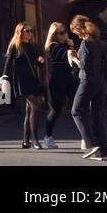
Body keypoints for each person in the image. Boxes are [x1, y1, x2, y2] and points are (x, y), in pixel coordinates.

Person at [1, 22, 47, 149]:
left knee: (29, 110)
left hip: (32, 79)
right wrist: (4, 78)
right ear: (20, 32)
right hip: (21, 80)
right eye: (27, 31)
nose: (30, 33)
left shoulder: (33, 46)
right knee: (35, 106)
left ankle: (26, 141)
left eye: (31, 31)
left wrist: (40, 61)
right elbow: (8, 63)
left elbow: (38, 63)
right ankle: (34, 140)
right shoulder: (15, 46)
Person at [69, 15, 107, 160]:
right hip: (100, 83)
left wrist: (73, 57)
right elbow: (105, 63)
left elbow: (83, 66)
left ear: (80, 30)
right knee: (97, 117)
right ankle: (103, 153)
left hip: (87, 82)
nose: (76, 35)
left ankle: (92, 144)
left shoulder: (85, 44)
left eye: (75, 32)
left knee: (76, 111)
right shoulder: (100, 43)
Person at [41, 21, 75, 149]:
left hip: (70, 79)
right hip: (58, 80)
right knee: (56, 109)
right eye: (61, 33)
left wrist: (70, 46)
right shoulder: (53, 46)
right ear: (55, 35)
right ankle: (48, 136)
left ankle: (86, 137)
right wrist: (70, 47)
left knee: (77, 107)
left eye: (65, 31)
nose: (65, 34)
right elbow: (64, 56)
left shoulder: (65, 44)